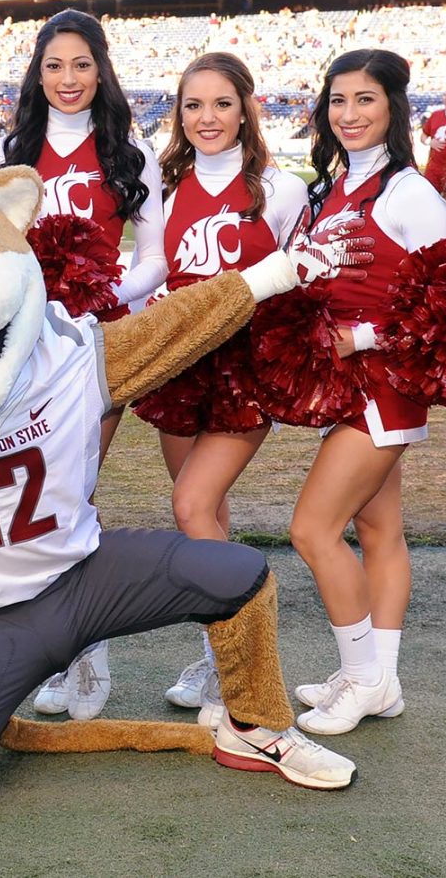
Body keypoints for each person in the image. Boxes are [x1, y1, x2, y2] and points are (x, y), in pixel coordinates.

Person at [0, 8, 169, 721]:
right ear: (37, 73)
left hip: (94, 342)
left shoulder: (130, 152)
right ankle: (48, 647)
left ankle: (88, 652)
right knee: (30, 498)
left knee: (76, 490)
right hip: (21, 348)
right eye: (53, 65)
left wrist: (99, 296)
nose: (67, 78)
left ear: (101, 70)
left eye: (81, 64)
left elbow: (155, 257)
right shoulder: (4, 153)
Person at [134, 53, 308, 720]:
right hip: (181, 369)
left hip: (246, 371)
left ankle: (242, 663)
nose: (207, 118)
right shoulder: (164, 187)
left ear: (246, 109)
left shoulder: (281, 189)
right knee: (209, 514)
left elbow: (300, 283)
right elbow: (154, 268)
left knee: (190, 505)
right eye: (193, 105)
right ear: (179, 113)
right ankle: (216, 659)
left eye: (222, 104)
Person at [288, 50, 446, 736]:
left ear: (393, 107)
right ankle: (381, 679)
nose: (349, 114)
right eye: (338, 100)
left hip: (385, 387)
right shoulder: (332, 187)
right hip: (348, 389)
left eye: (365, 100)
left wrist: (361, 336)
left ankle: (363, 677)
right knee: (378, 530)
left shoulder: (411, 194)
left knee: (312, 529)